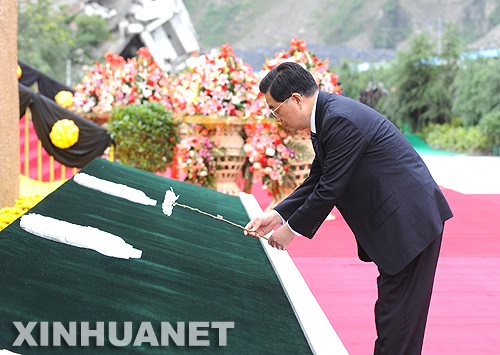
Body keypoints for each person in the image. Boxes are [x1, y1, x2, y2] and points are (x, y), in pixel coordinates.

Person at [244, 62, 453, 355]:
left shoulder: (340, 119)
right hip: (399, 221)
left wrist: (289, 232)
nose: (276, 118)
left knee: (399, 322)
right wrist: (276, 215)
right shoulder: (327, 116)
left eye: (275, 110)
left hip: (409, 223)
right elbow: (317, 177)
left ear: (295, 99)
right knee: (394, 316)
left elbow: (331, 186)